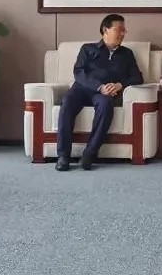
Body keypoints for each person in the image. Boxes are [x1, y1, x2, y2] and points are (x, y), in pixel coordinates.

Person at [56, 14, 144, 172]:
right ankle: (63, 156)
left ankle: (89, 154)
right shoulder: (88, 49)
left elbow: (137, 77)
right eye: (119, 29)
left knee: (105, 104)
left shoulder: (127, 54)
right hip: (82, 89)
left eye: (124, 30)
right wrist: (99, 87)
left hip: (104, 95)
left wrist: (119, 85)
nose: (123, 33)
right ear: (105, 30)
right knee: (67, 101)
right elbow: (78, 72)